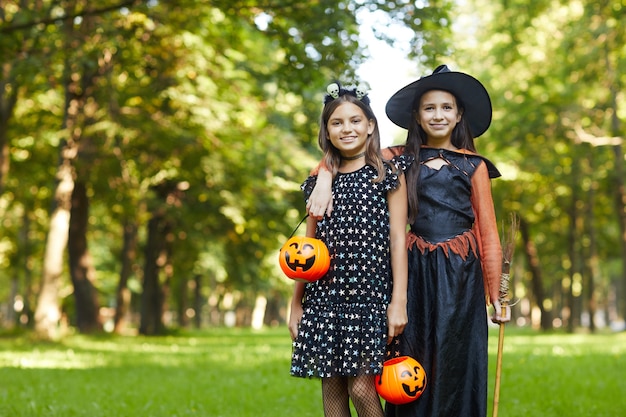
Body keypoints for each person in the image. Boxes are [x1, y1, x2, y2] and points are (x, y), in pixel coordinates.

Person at [307, 65, 511, 417]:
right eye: (429, 108)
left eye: (446, 107)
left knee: (455, 359)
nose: (438, 115)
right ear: (416, 115)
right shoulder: (396, 160)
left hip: (461, 278)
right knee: (407, 365)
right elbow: (344, 155)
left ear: (459, 114)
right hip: (413, 274)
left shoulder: (473, 166)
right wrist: (324, 177)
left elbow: (488, 234)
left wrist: (497, 296)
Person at [288, 82, 409, 417]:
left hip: (369, 298)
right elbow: (307, 251)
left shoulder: (386, 176)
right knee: (332, 386)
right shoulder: (318, 183)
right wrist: (295, 304)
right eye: (337, 122)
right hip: (325, 298)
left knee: (361, 386)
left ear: (370, 125)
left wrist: (398, 301)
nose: (347, 128)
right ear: (326, 131)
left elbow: (399, 239)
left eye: (355, 120)